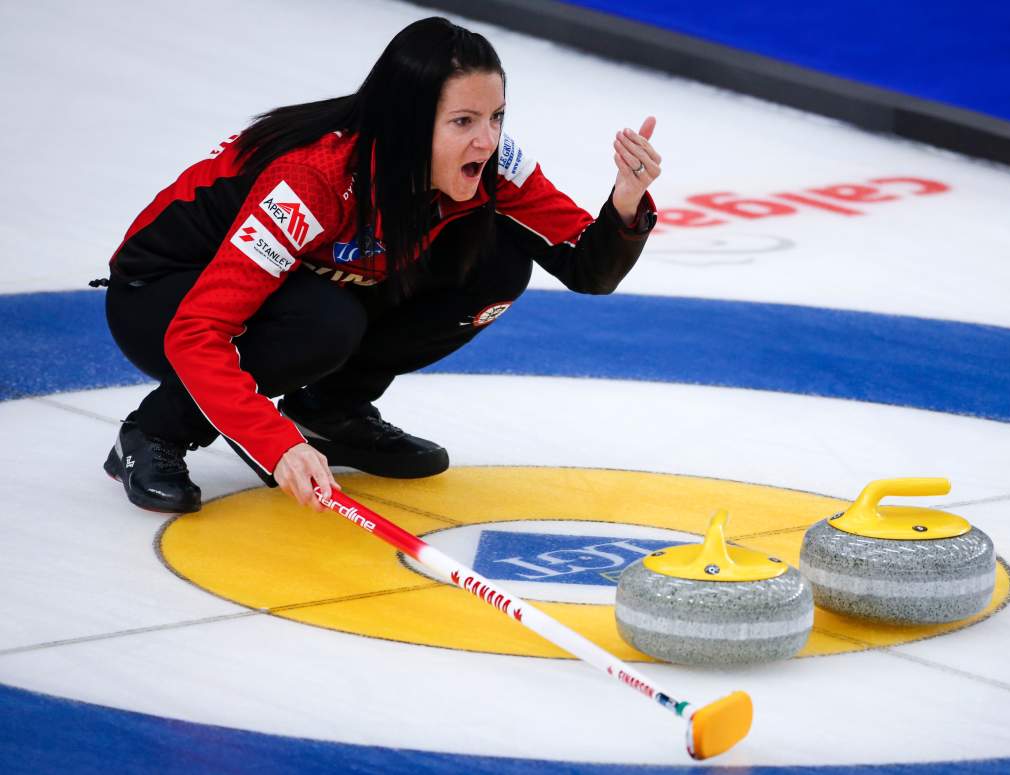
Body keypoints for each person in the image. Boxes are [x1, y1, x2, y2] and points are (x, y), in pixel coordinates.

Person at [100, 17, 660, 514]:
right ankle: (153, 432)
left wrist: (627, 202)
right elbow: (199, 329)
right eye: (464, 121)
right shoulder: (313, 178)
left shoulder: (490, 162)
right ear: (407, 124)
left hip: (305, 282)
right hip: (163, 293)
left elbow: (588, 268)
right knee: (323, 323)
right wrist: (275, 445)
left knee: (496, 267)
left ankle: (329, 412)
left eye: (497, 116)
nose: (487, 140)